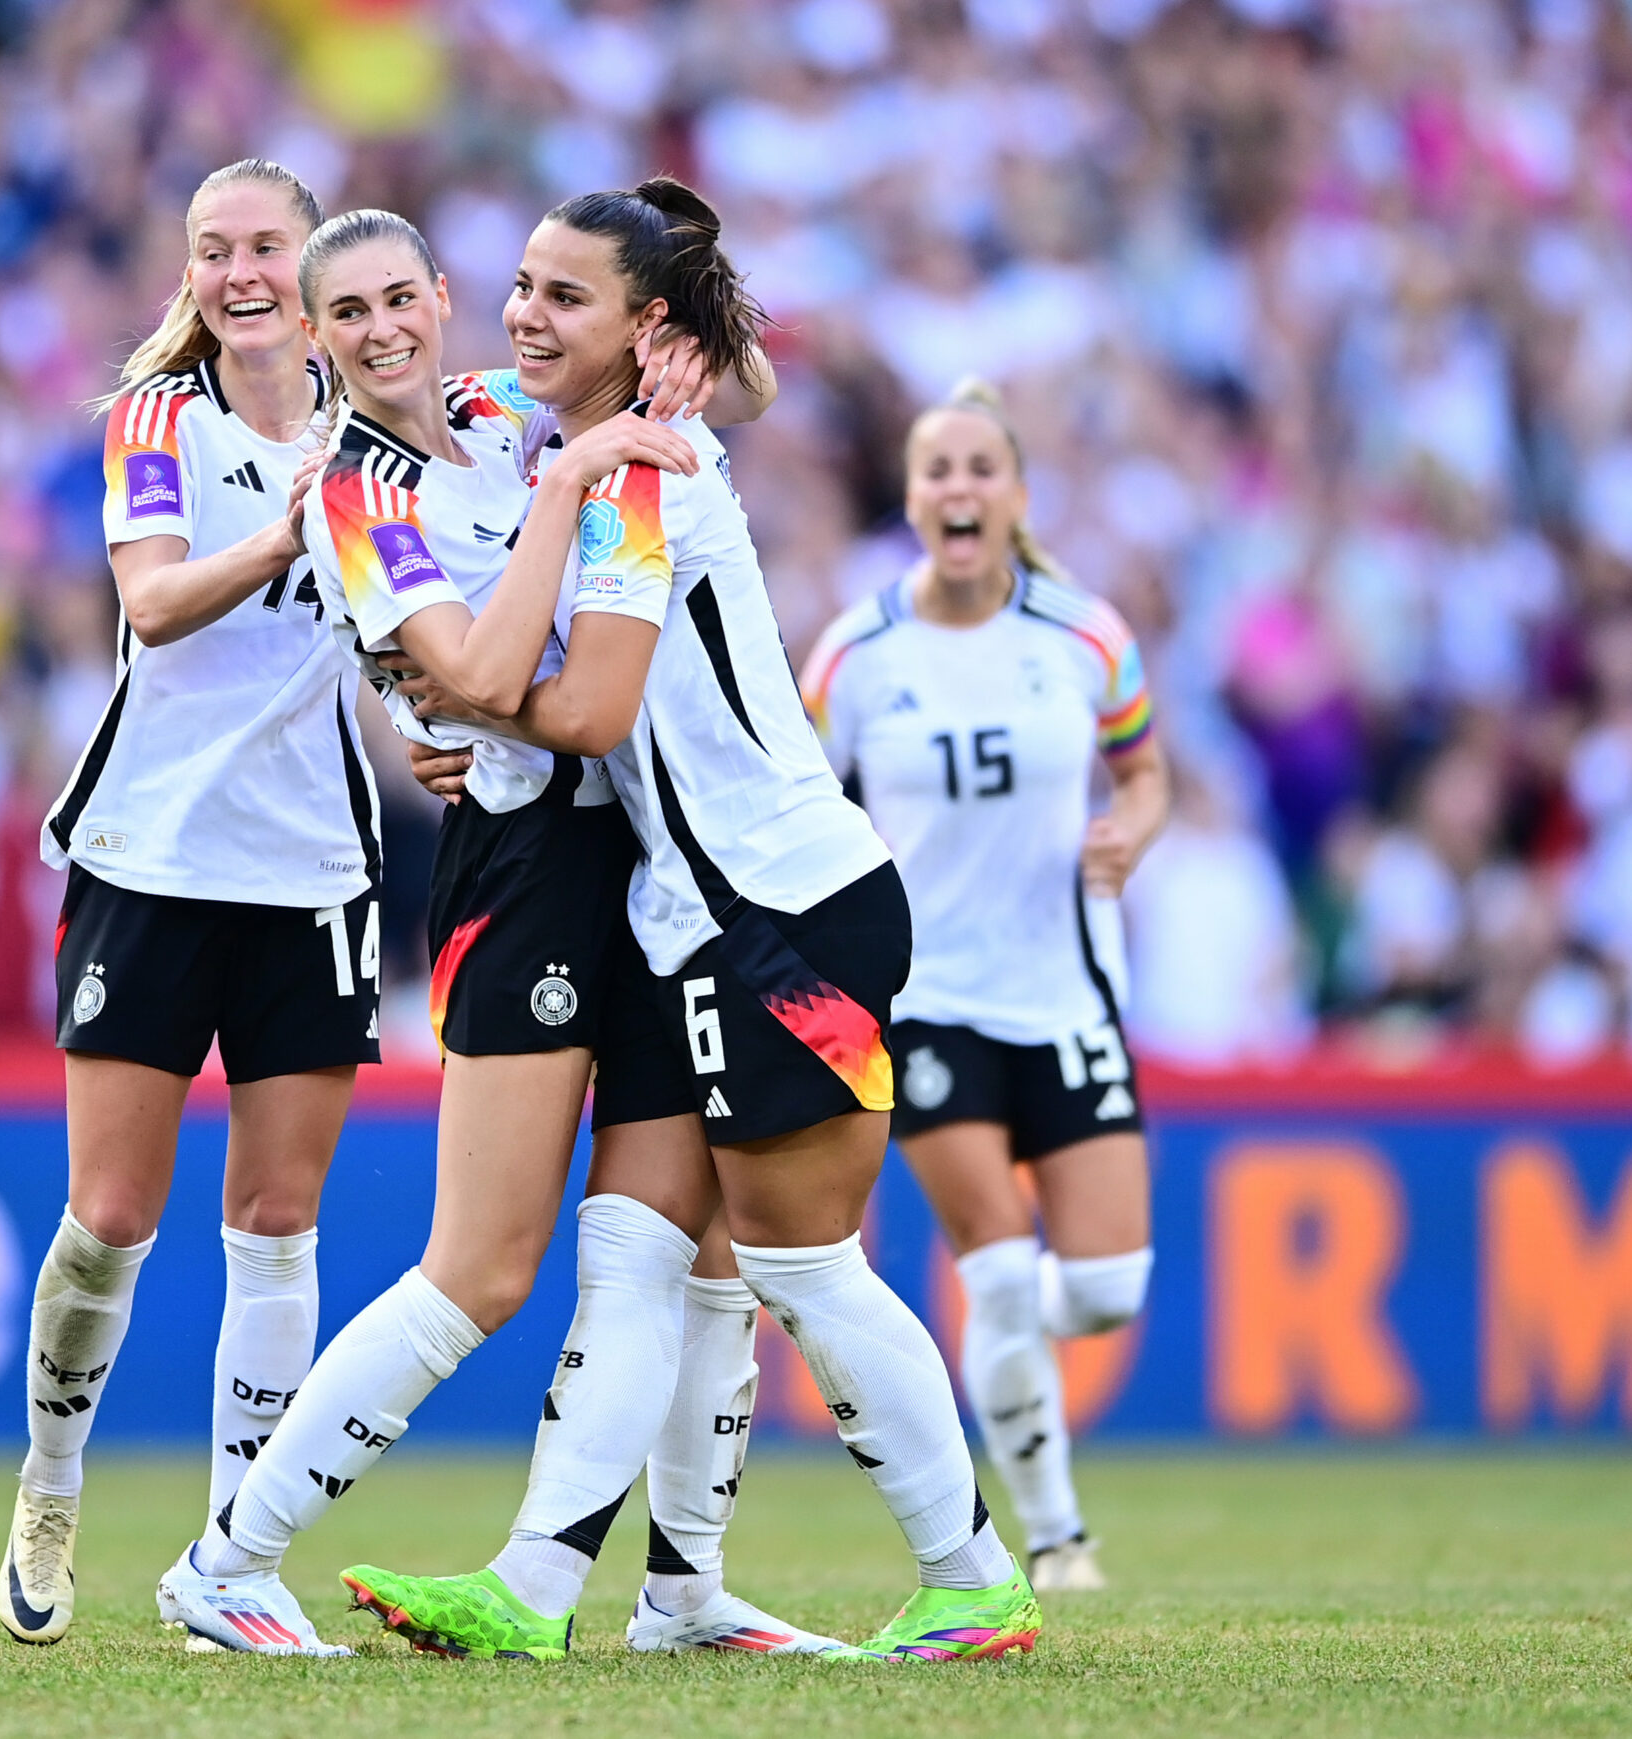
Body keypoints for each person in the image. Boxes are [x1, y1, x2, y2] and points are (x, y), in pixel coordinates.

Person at [325, 182, 1042, 1665]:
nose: (522, 313)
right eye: (518, 283)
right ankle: (532, 1585)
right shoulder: (586, 444)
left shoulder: (636, 471)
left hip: (779, 906)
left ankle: (973, 1573)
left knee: (803, 1267)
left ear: (642, 330)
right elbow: (696, 374)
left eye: (561, 296)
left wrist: (450, 691)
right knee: (641, 1256)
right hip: (713, 910)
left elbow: (586, 709)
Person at [152, 202, 844, 1658]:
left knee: (686, 1243)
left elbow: (739, 388)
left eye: (403, 297)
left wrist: (687, 366)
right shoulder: (353, 488)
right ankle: (230, 1555)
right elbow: (466, 667)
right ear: (318, 341)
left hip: (645, 849)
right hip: (521, 863)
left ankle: (687, 1586)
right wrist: (575, 477)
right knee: (480, 1263)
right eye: (349, 316)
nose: (385, 330)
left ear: (443, 296)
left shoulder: (502, 401)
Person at [0, 158, 381, 1646]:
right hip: (149, 860)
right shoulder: (158, 417)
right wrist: (294, 529)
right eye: (214, 249)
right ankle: (50, 1477)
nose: (240, 273)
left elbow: (395, 622)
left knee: (277, 1223)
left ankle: (234, 1555)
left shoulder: (376, 436)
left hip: (311, 877)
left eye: (265, 247)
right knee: (109, 1216)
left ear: (311, 261)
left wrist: (426, 719)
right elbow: (150, 602)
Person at [799, 378, 1169, 1592]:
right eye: (937, 470)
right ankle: (1057, 1536)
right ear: (910, 500)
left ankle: (1029, 1440)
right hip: (930, 1002)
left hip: (1066, 993)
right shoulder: (856, 654)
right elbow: (797, 807)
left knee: (1106, 1290)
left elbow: (1145, 769)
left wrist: (1132, 830)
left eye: (979, 468)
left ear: (1015, 494)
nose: (958, 488)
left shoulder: (1084, 635)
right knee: (998, 1266)